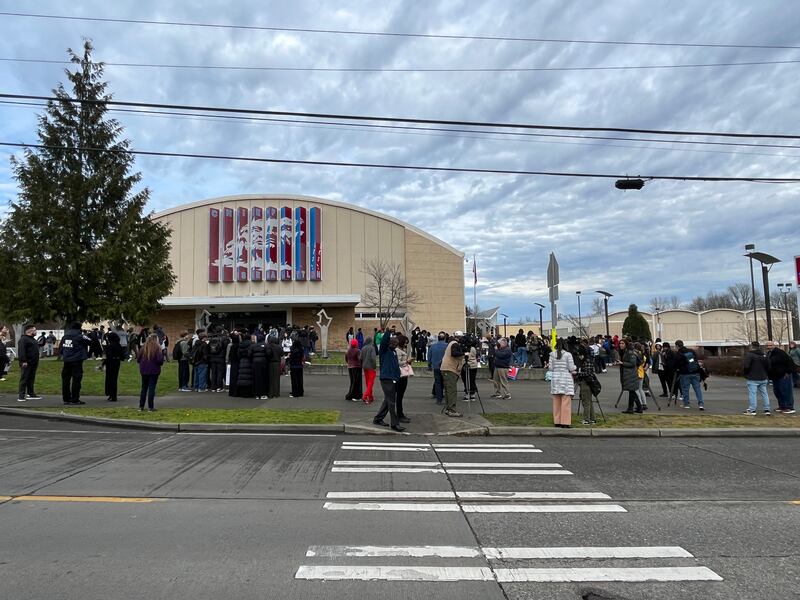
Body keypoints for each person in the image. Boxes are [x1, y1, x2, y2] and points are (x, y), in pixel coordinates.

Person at [373, 330, 404, 431]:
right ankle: (394, 424)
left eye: (396, 344)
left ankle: (378, 418)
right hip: (387, 379)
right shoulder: (384, 350)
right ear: (390, 343)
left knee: (388, 400)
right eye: (394, 344)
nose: (396, 346)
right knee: (391, 402)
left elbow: (395, 367)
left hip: (393, 379)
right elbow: (383, 342)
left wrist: (397, 377)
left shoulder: (393, 352)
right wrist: (386, 332)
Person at [549, 338, 576, 427]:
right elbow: (571, 368)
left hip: (555, 378)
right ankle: (565, 422)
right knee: (566, 401)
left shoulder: (552, 354)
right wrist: (575, 368)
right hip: (565, 378)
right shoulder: (568, 355)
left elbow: (550, 368)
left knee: (556, 401)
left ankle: (557, 421)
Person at [765, 341, 795, 414]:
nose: (768, 347)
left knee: (785, 391)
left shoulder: (780, 353)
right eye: (767, 346)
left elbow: (790, 362)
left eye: (770, 345)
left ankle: (789, 407)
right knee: (777, 391)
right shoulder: (769, 353)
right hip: (775, 376)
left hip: (784, 375)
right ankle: (782, 406)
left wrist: (788, 372)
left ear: (773, 345)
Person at [440, 331, 466, 418]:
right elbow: (454, 353)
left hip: (447, 369)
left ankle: (449, 408)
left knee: (448, 390)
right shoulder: (454, 344)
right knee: (452, 390)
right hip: (449, 369)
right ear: (459, 337)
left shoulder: (451, 343)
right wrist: (464, 354)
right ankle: (451, 409)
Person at [137, 333, 164, 411]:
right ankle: (150, 407)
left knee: (144, 388)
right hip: (154, 370)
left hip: (144, 370)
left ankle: (141, 406)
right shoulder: (157, 348)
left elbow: (138, 359)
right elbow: (159, 360)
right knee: (151, 388)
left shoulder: (143, 348)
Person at [742, 341, 771, 415]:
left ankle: (752, 410)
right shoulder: (764, 355)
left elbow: (746, 366)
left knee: (752, 394)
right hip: (763, 377)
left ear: (752, 346)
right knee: (764, 394)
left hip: (753, 378)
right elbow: (768, 366)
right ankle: (767, 409)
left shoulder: (750, 355)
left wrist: (746, 374)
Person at [675, 340, 704, 410]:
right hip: (695, 372)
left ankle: (686, 404)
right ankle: (701, 404)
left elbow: (678, 364)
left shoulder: (679, 353)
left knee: (685, 389)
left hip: (685, 373)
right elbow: (696, 360)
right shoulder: (691, 351)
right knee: (697, 389)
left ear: (677, 346)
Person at [17, 323, 41, 401]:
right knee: (24, 379)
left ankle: (31, 394)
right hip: (27, 363)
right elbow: (21, 351)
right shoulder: (23, 339)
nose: (36, 332)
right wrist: (23, 361)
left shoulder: (33, 339)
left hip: (33, 363)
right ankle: (21, 396)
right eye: (34, 330)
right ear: (29, 331)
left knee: (31, 379)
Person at [575, 339, 597, 425]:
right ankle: (592, 418)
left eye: (580, 355)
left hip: (586, 382)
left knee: (586, 402)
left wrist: (578, 373)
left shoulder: (587, 361)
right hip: (586, 382)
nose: (579, 357)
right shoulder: (585, 361)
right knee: (589, 401)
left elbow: (588, 373)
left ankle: (586, 419)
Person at [619, 339, 643, 414]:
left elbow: (633, 363)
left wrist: (623, 363)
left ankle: (631, 408)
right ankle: (639, 407)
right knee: (632, 390)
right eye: (620, 343)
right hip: (628, 373)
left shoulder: (630, 352)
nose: (621, 345)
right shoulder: (625, 352)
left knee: (632, 391)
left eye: (622, 343)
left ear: (626, 344)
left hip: (631, 374)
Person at [427, 332, 448, 405]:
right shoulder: (447, 346)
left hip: (436, 367)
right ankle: (447, 398)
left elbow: (429, 357)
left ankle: (439, 399)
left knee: (438, 382)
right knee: (445, 382)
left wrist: (429, 365)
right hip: (445, 367)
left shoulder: (433, 346)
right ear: (444, 338)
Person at [395, 334, 411, 423]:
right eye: (405, 342)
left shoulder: (402, 350)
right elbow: (398, 362)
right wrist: (407, 361)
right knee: (399, 396)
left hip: (403, 374)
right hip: (400, 375)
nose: (406, 344)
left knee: (400, 396)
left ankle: (400, 413)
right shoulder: (397, 350)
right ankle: (399, 414)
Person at [104, 331, 124, 402]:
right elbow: (123, 356)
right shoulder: (119, 345)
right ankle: (113, 395)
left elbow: (108, 357)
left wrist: (103, 363)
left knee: (109, 378)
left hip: (110, 363)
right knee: (114, 379)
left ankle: (110, 394)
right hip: (117, 362)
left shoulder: (109, 346)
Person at [208, 328, 227, 392]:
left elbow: (209, 348)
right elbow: (225, 347)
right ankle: (219, 387)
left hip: (212, 357)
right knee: (220, 372)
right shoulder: (223, 338)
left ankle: (213, 387)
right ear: (221, 331)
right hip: (220, 357)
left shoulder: (211, 338)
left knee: (213, 373)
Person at [251, 335, 269, 400]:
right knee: (263, 378)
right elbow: (268, 353)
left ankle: (257, 394)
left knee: (256, 378)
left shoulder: (253, 345)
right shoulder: (265, 345)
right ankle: (263, 394)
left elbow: (249, 353)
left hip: (255, 363)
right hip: (263, 363)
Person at [461, 337, 479, 401]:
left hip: (468, 365)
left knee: (466, 380)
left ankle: (467, 393)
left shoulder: (468, 349)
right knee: (472, 380)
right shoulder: (474, 348)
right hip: (474, 365)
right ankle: (472, 394)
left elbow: (466, 357)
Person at [361, 336, 377, 404]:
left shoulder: (363, 348)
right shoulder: (372, 348)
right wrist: (374, 366)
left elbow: (360, 358)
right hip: (370, 367)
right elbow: (373, 358)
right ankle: (365, 396)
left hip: (364, 367)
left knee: (368, 382)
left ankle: (370, 396)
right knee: (371, 382)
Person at [227, 330, 241, 397]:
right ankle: (237, 391)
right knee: (237, 377)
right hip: (238, 363)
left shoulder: (232, 346)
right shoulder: (239, 346)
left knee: (232, 377)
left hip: (233, 363)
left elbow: (229, 355)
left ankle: (232, 392)